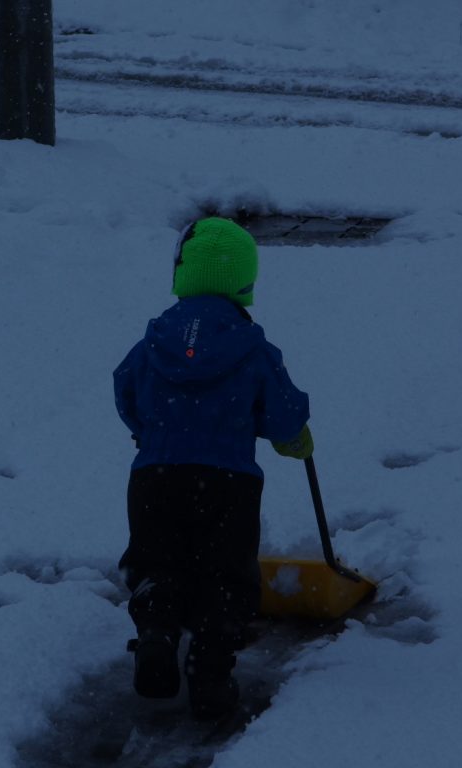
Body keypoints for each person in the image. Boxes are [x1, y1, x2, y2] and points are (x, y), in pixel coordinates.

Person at [113, 216, 312, 720]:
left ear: (182, 273)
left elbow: (126, 389)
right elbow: (284, 412)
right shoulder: (253, 349)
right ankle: (211, 671)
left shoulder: (154, 341)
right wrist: (292, 437)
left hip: (154, 476)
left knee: (157, 562)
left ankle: (157, 634)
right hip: (228, 483)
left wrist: (150, 432)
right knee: (226, 573)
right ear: (244, 281)